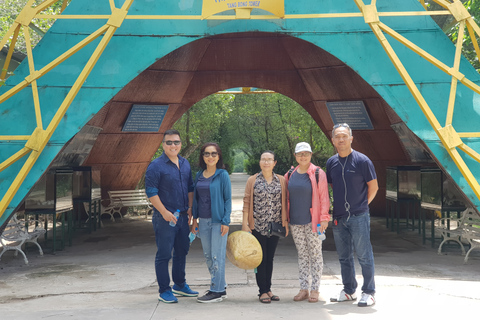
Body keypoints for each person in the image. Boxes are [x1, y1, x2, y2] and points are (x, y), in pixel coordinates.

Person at [326, 123, 379, 307]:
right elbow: (332, 186)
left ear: (351, 138)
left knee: (364, 255)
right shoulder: (331, 162)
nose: (341, 139)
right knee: (344, 256)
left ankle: (369, 292)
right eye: (337, 137)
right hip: (339, 217)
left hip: (359, 216)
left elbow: (374, 187)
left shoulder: (363, 161)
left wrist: (363, 205)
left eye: (344, 136)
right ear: (333, 140)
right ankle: (349, 290)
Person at [145, 129, 198, 303]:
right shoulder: (156, 165)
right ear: (163, 145)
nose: (173, 145)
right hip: (165, 218)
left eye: (176, 142)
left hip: (183, 216)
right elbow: (151, 192)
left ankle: (180, 285)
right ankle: (164, 290)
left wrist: (190, 207)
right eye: (169, 142)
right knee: (164, 254)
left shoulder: (185, 163)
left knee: (182, 251)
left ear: (181, 144)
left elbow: (190, 187)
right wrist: (164, 212)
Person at [284, 142, 330, 303]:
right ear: (295, 156)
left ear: (311, 155)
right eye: (299, 154)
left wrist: (324, 218)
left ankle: (315, 289)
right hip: (295, 222)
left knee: (315, 255)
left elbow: (324, 197)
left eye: (306, 153)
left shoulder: (318, 173)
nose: (303, 156)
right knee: (302, 255)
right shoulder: (290, 174)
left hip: (314, 222)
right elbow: (285, 198)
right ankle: (303, 288)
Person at [242, 150, 288, 304]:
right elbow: (247, 202)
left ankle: (268, 289)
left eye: (269, 160)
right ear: (260, 162)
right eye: (263, 159)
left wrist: (285, 223)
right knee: (260, 259)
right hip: (258, 226)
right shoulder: (253, 180)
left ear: (275, 163)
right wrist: (245, 224)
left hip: (275, 226)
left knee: (270, 258)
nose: (266, 162)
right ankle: (262, 291)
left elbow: (285, 203)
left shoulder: (281, 180)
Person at [191, 143, 232, 303]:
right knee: (208, 256)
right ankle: (220, 285)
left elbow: (228, 199)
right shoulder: (199, 175)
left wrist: (226, 221)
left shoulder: (222, 175)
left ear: (218, 156)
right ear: (202, 157)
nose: (210, 157)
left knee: (217, 256)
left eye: (214, 154)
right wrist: (194, 220)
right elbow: (196, 199)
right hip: (203, 221)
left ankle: (216, 290)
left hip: (218, 221)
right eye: (207, 154)